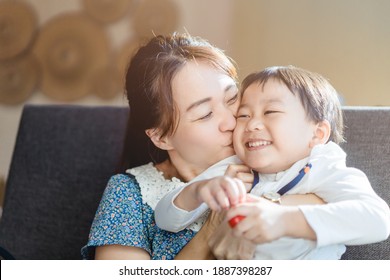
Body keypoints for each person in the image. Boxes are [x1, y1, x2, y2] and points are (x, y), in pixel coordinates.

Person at [81, 34, 322, 260]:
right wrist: (212, 230)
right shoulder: (130, 194)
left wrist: (267, 207)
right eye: (205, 114)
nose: (231, 121)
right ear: (161, 137)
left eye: (231, 99)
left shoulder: (274, 156)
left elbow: (341, 200)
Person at [155, 65, 390, 259]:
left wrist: (285, 219)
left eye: (270, 112)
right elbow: (165, 220)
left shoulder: (324, 169)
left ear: (317, 134)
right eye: (244, 115)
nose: (252, 124)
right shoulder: (233, 169)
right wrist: (198, 190)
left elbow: (377, 219)